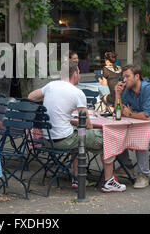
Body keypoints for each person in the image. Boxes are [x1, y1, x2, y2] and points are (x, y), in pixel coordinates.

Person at [28, 61, 126, 193]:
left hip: (48, 139)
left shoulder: (51, 86)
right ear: (74, 74)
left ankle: (77, 178)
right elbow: (87, 125)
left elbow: (31, 96)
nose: (79, 75)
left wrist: (51, 100)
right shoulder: (77, 93)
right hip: (64, 140)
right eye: (79, 72)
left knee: (78, 136)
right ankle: (109, 181)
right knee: (106, 137)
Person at [114, 64, 150, 189]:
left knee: (142, 137)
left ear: (137, 76)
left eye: (127, 76)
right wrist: (118, 95)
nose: (124, 80)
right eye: (123, 77)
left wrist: (129, 113)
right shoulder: (128, 90)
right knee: (117, 133)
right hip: (141, 127)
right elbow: (118, 112)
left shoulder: (148, 89)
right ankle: (127, 168)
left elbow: (146, 116)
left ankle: (143, 175)